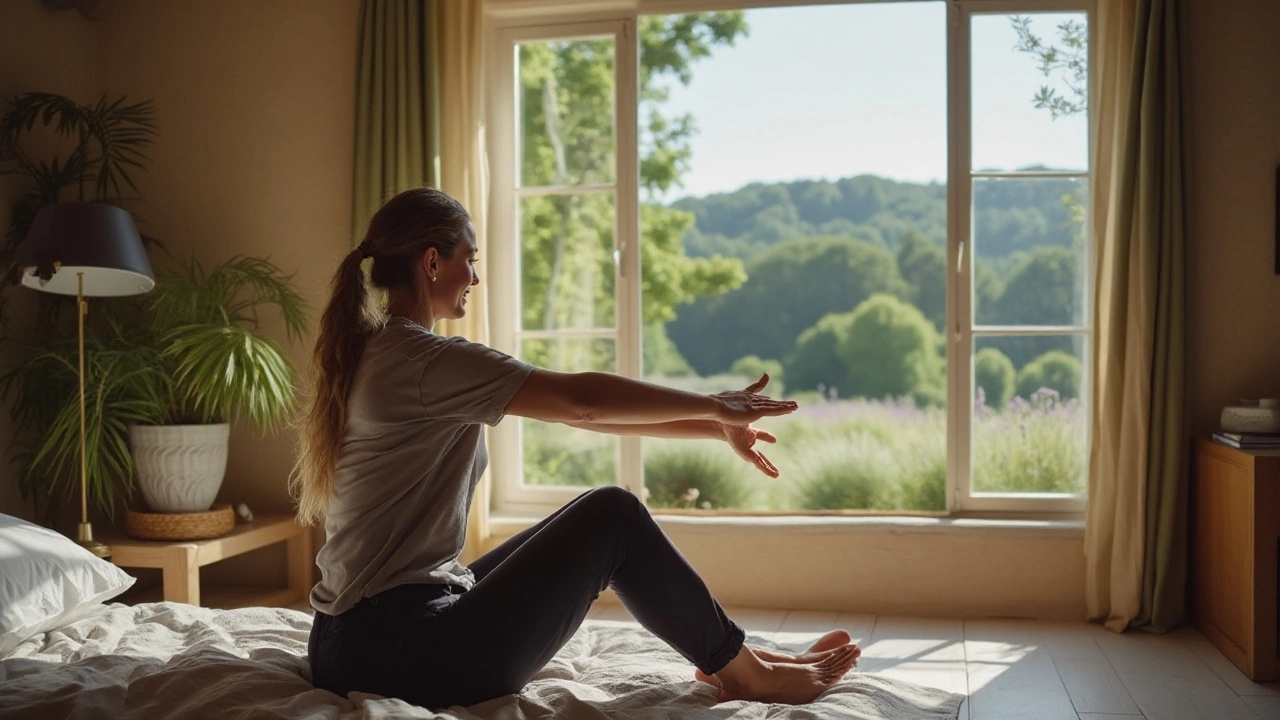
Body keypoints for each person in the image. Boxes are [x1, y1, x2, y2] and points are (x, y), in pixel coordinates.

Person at [293, 187, 860, 710]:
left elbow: (586, 414)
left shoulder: (382, 353)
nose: (475, 276)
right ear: (431, 262)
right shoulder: (424, 363)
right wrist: (714, 404)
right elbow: (582, 400)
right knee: (614, 515)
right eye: (470, 258)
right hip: (399, 656)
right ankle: (745, 673)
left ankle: (733, 659)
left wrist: (713, 426)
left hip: (353, 644)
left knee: (589, 518)